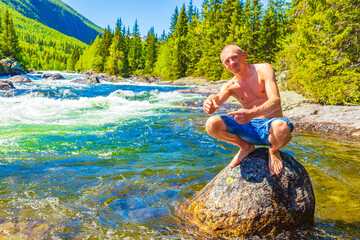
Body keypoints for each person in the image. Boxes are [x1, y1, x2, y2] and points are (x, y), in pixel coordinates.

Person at [203, 44, 294, 175]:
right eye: (227, 61)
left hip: (271, 128)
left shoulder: (263, 70)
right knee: (212, 124)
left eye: (234, 57)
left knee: (282, 127)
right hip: (250, 128)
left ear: (244, 56)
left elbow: (275, 100)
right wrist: (210, 100)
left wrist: (252, 113)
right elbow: (217, 98)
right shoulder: (230, 85)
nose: (232, 62)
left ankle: (273, 151)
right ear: (225, 66)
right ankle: (245, 147)